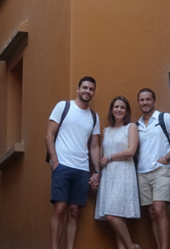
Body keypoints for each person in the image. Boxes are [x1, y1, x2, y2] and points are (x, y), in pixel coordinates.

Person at [46, 77, 102, 249]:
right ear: (78, 89)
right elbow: (49, 135)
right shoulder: (64, 107)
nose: (87, 91)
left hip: (82, 169)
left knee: (74, 211)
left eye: (91, 89)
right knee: (60, 208)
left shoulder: (94, 117)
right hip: (62, 166)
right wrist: (55, 160)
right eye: (84, 87)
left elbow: (94, 146)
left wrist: (97, 171)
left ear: (93, 92)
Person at [136, 88, 170, 249]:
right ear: (139, 102)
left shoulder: (164, 118)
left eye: (148, 99)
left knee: (159, 210)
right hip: (142, 173)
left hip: (161, 171)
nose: (145, 103)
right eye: (142, 100)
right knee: (151, 213)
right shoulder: (136, 125)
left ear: (154, 101)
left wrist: (166, 158)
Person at [95, 96, 140, 249]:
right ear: (112, 110)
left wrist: (110, 157)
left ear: (126, 111)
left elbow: (131, 151)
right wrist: (97, 172)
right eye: (116, 107)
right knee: (118, 216)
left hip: (124, 173)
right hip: (109, 175)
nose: (119, 110)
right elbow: (101, 153)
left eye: (122, 107)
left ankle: (131, 246)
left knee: (112, 214)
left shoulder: (131, 127)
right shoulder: (106, 131)